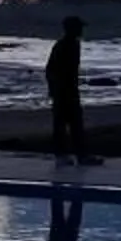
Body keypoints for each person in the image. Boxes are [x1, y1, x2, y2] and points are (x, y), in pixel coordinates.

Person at [45, 15, 95, 164]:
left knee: (74, 123)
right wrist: (54, 89)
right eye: (79, 27)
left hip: (69, 89)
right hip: (63, 90)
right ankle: (64, 155)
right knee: (63, 123)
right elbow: (51, 69)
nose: (81, 30)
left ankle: (79, 155)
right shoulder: (63, 45)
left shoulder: (73, 44)